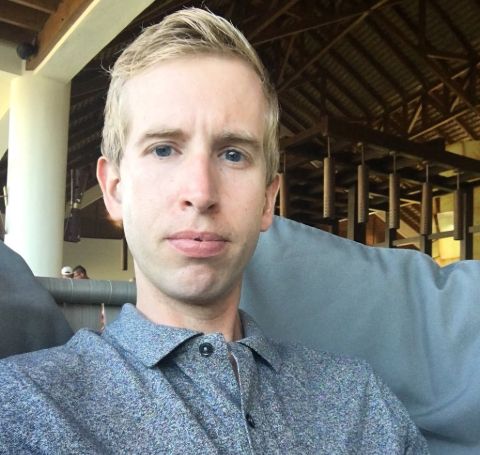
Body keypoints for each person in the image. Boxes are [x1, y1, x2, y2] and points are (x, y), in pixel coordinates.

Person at [0, 8, 429, 454]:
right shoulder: (22, 408)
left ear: (267, 200)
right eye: (163, 149)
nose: (201, 192)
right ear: (114, 190)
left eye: (233, 154)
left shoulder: (359, 403)